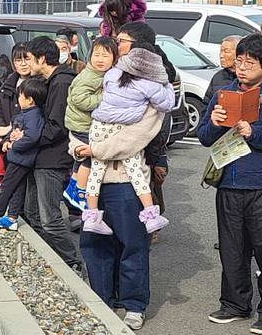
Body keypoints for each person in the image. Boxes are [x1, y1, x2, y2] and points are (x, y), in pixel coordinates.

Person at [197, 34, 262, 335]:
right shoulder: (224, 93)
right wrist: (214, 122)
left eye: (250, 63)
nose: (242, 68)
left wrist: (253, 133)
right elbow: (204, 137)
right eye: (239, 61)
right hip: (229, 184)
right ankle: (234, 304)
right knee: (232, 249)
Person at [72, 101, 164, 330]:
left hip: (127, 182)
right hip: (93, 181)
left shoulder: (145, 94)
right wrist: (76, 147)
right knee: (95, 244)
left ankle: (134, 304)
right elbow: (76, 123)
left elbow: (133, 140)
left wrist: (94, 149)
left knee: (133, 245)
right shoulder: (94, 89)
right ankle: (101, 298)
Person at [81, 47, 175, 235]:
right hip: (121, 128)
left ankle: (91, 217)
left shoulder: (112, 75)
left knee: (95, 173)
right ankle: (150, 215)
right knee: (136, 172)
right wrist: (168, 86)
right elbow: (166, 103)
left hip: (99, 126)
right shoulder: (148, 84)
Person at [20, 36, 83, 270]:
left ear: (42, 59)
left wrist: (27, 140)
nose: (26, 63)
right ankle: (52, 260)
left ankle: (72, 262)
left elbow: (57, 126)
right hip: (40, 157)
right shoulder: (49, 80)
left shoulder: (62, 82)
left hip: (53, 159)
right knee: (32, 214)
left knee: (49, 218)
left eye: (29, 59)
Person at [115, 22, 178, 218]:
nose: (117, 45)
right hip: (125, 148)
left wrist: (159, 158)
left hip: (143, 150)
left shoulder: (153, 75)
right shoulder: (124, 67)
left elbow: (160, 122)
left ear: (137, 45)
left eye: (121, 41)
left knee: (139, 203)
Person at [0, 79, 47, 230]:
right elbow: (15, 130)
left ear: (30, 100)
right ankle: (12, 217)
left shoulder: (33, 116)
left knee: (7, 186)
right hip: (20, 158)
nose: (18, 98)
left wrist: (13, 145)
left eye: (20, 95)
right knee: (18, 188)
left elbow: (31, 137)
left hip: (20, 158)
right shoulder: (28, 114)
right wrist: (7, 141)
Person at [63, 36, 117, 211]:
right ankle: (80, 191)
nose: (100, 59)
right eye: (96, 55)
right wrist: (104, 98)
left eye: (105, 56)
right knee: (90, 157)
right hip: (82, 125)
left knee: (80, 158)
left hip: (80, 123)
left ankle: (72, 186)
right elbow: (80, 100)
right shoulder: (90, 76)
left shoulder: (97, 74)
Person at [0, 43, 31, 138]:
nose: (23, 64)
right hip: (7, 139)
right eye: (18, 60)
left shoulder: (40, 84)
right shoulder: (7, 85)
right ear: (13, 63)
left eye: (27, 59)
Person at [205, 35, 242, 103]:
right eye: (221, 51)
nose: (221, 55)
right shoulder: (218, 77)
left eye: (226, 51)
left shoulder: (248, 77)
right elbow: (206, 103)